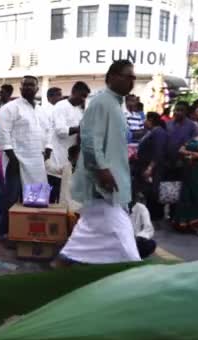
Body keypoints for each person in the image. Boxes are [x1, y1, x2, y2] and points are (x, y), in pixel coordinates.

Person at [58, 60, 141, 264]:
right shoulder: (101, 102)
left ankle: (64, 262)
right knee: (123, 236)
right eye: (127, 76)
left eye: (133, 77)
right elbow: (89, 139)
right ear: (111, 77)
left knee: (88, 232)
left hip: (111, 179)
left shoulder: (114, 104)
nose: (132, 81)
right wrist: (103, 169)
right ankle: (136, 271)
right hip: (104, 181)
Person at [0, 75, 52, 242]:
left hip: (37, 160)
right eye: (25, 85)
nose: (28, 88)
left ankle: (30, 231)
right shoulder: (10, 108)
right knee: (11, 197)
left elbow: (49, 130)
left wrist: (48, 147)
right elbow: (3, 132)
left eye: (31, 85)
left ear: (37, 89)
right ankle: (6, 232)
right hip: (16, 159)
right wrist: (11, 156)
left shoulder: (43, 110)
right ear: (20, 88)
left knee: (36, 197)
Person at [47, 81, 90, 203]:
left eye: (85, 97)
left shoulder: (77, 110)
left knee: (66, 198)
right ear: (74, 92)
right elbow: (61, 131)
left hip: (70, 159)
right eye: (82, 96)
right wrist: (80, 128)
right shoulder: (61, 106)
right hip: (58, 158)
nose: (83, 100)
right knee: (54, 199)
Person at [135, 112, 167, 221]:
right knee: (148, 191)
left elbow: (158, 152)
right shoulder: (151, 132)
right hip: (146, 165)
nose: (144, 122)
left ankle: (155, 215)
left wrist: (150, 167)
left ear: (151, 120)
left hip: (154, 167)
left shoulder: (158, 133)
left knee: (153, 190)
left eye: (146, 120)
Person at [166, 101, 198, 181]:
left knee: (182, 187)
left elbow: (193, 143)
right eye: (176, 110)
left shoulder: (192, 126)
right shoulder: (167, 124)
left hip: (184, 163)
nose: (178, 112)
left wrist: (183, 159)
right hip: (167, 162)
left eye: (181, 110)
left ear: (186, 111)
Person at [130, 192, 157, 259]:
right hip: (120, 240)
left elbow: (148, 228)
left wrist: (139, 238)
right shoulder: (115, 208)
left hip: (136, 240)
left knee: (150, 244)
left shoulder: (141, 208)